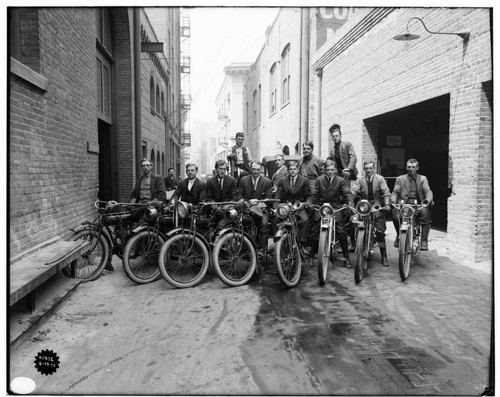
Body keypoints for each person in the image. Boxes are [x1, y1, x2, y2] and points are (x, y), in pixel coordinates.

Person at [123, 158, 166, 272]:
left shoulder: (157, 178)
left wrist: (151, 202)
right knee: (124, 220)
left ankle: (136, 246)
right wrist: (130, 205)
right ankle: (125, 245)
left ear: (151, 166)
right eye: (143, 166)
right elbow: (134, 194)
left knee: (141, 224)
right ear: (141, 167)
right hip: (140, 206)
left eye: (147, 165)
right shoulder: (139, 180)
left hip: (152, 208)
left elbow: (162, 195)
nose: (146, 167)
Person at [311, 159, 354, 268]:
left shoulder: (341, 180)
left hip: (335, 207)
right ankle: (312, 256)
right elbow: (315, 194)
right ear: (324, 170)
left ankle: (346, 257)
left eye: (332, 170)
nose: (330, 172)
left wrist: (349, 203)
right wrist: (312, 204)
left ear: (335, 170)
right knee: (315, 230)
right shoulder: (319, 180)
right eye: (327, 170)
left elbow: (347, 193)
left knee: (341, 231)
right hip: (322, 207)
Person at [351, 161, 391, 266]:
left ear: (374, 168)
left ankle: (384, 256)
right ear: (364, 169)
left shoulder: (380, 179)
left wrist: (386, 205)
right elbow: (354, 191)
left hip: (377, 206)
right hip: (364, 205)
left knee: (380, 231)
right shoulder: (360, 179)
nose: (368, 170)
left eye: (370, 168)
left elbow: (386, 192)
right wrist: (351, 199)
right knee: (356, 223)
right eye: (366, 169)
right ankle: (359, 246)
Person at [391, 158, 433, 251]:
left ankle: (424, 241)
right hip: (404, 204)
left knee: (426, 214)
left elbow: (427, 191)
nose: (411, 169)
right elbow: (395, 192)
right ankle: (399, 235)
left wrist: (427, 200)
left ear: (417, 168)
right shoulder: (400, 179)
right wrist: (393, 201)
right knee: (395, 215)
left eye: (413, 167)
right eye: (409, 167)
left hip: (418, 204)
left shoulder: (422, 178)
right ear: (406, 168)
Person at [328, 124, 358, 250]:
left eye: (337, 136)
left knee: (344, 174)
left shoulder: (347, 144)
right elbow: (330, 160)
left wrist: (349, 168)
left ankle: (345, 192)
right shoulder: (332, 149)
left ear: (340, 135)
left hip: (348, 173)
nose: (335, 138)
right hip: (338, 174)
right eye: (333, 136)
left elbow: (353, 157)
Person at [238, 161, 273, 256]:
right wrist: (245, 202)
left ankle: (261, 249)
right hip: (247, 209)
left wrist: (259, 202)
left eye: (258, 169)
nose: (255, 171)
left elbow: (268, 198)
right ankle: (246, 249)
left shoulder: (267, 181)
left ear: (261, 170)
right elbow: (240, 196)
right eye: (253, 169)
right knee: (243, 224)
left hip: (261, 210)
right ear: (250, 169)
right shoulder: (243, 180)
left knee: (264, 224)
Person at [275, 160, 311, 246]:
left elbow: (308, 195)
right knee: (275, 219)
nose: (293, 171)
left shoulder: (304, 180)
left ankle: (302, 244)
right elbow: (277, 196)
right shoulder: (282, 181)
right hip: (286, 207)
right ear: (288, 170)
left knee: (304, 220)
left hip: (299, 206)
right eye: (291, 169)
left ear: (298, 169)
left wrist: (306, 203)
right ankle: (279, 243)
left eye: (294, 169)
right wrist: (277, 207)